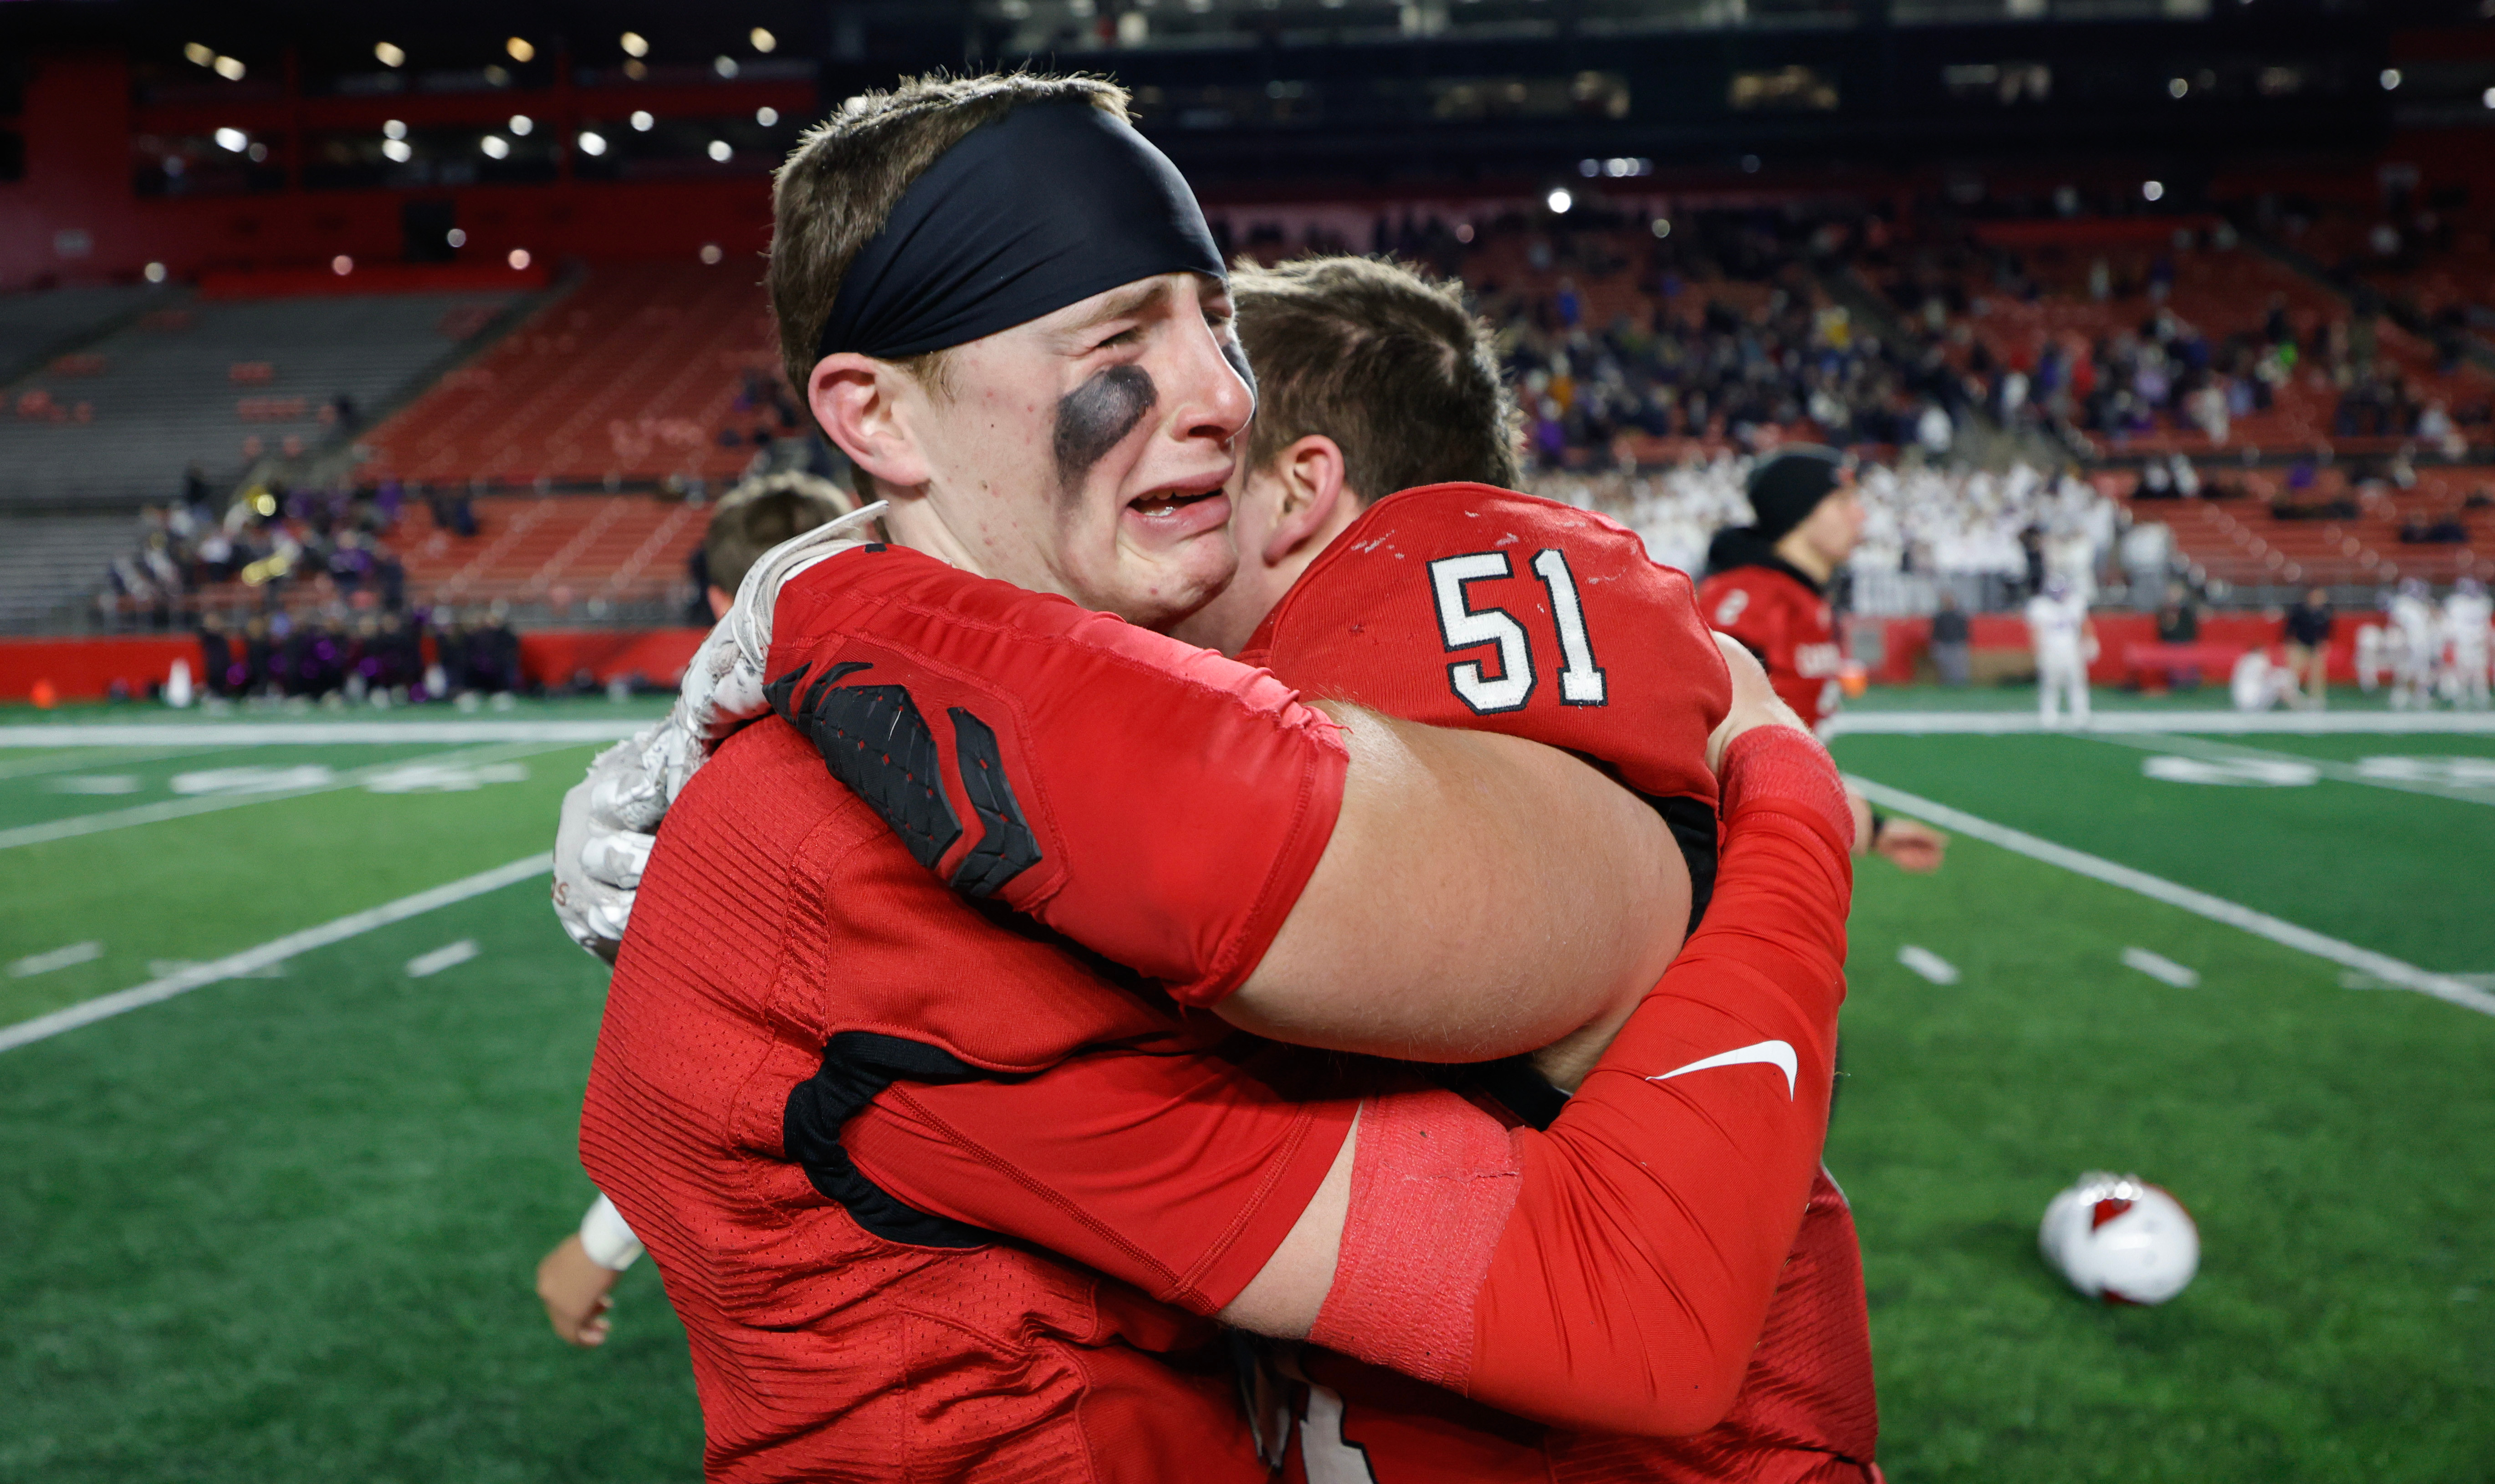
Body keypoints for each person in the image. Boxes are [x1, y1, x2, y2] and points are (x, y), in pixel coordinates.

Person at [566, 74, 1865, 1482]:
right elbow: (1625, 1302)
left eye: (1218, 322)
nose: (1220, 397)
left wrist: (810, 599)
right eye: (1118, 335)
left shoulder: (1008, 744)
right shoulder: (889, 866)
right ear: (872, 419)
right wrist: (1780, 783)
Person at [537, 468, 857, 1346]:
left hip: (842, 1275)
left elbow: (729, 1074)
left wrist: (598, 1243)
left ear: (720, 596)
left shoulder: (732, 789)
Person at [1699, 445, 1947, 871]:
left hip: (1766, 836)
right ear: (1801, 512)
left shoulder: (1803, 598)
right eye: (1842, 501)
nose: (1860, 516)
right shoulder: (1749, 600)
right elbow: (1703, 735)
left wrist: (1875, 825)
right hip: (1727, 854)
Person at [2026, 575, 2096, 728]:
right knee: (2050, 684)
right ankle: (2049, 715)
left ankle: (2081, 713)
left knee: (2077, 683)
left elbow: (2084, 624)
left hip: (2072, 650)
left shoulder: (2075, 603)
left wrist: (2090, 643)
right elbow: (2036, 631)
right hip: (2050, 651)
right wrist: (2037, 650)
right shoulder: (2040, 606)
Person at [2389, 577, 2440, 710]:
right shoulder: (2402, 604)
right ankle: (2401, 694)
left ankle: (2421, 694)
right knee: (2405, 670)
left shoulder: (2423, 605)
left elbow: (2433, 622)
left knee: (2422, 670)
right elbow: (2397, 624)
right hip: (2408, 642)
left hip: (2422, 642)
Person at [2282, 586, 2335, 709]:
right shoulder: (2299, 610)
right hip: (2300, 645)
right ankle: (2290, 698)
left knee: (2318, 673)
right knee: (2293, 674)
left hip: (2315, 647)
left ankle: (2317, 699)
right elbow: (2289, 629)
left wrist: (2323, 645)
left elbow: (2327, 632)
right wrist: (2290, 646)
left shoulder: (2325, 612)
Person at [2444, 576, 2492, 710]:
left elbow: (2485, 625)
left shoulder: (2483, 603)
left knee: (2479, 673)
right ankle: (2462, 696)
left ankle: (2481, 697)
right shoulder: (2455, 604)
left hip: (2478, 643)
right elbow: (2451, 627)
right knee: (2462, 672)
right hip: (2463, 643)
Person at [1928, 587, 1971, 688]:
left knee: (1959, 667)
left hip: (1957, 643)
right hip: (1943, 644)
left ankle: (1960, 684)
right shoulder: (1940, 616)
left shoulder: (1959, 615)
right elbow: (1935, 631)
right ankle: (1947, 684)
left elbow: (1964, 630)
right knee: (1945, 666)